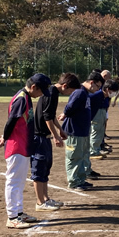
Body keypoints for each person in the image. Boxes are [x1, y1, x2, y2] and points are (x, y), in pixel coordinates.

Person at [0, 74, 51, 229]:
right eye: (41, 91)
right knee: (13, 182)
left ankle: (19, 213)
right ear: (34, 87)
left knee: (19, 182)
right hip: (16, 146)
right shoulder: (21, 99)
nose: (41, 95)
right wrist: (5, 137)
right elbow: (11, 121)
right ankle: (12, 216)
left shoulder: (25, 97)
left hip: (23, 146)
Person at [32, 72, 80, 211]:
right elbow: (47, 117)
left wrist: (60, 129)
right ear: (65, 86)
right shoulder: (51, 92)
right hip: (39, 136)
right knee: (39, 169)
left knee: (46, 168)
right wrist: (56, 136)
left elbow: (51, 115)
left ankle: (46, 198)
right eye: (71, 91)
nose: (70, 94)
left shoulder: (53, 92)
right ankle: (40, 202)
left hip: (44, 137)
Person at [59, 72, 104, 191]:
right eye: (98, 86)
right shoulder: (79, 92)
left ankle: (81, 179)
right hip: (75, 131)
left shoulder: (85, 93)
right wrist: (65, 115)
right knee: (74, 157)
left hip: (82, 131)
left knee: (82, 155)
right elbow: (69, 107)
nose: (98, 89)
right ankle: (74, 181)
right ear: (92, 82)